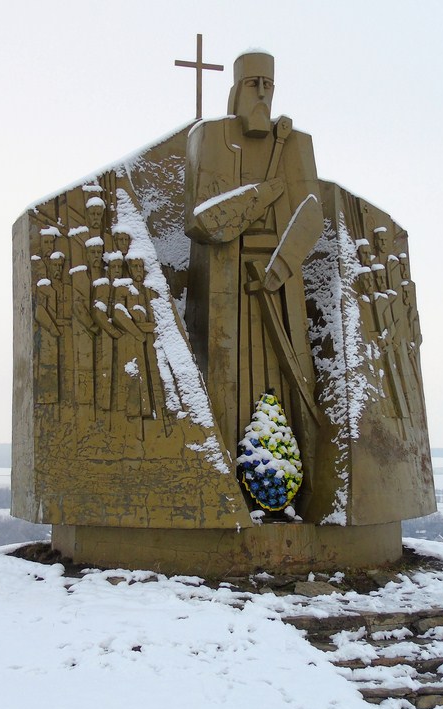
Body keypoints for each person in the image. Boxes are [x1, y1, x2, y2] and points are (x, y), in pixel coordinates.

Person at [184, 51, 323, 465]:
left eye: (269, 84)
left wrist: (279, 269)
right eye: (252, 83)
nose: (262, 92)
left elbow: (311, 211)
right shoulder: (209, 138)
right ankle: (226, 467)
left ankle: (293, 472)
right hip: (227, 284)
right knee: (227, 381)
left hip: (279, 285)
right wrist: (263, 194)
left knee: (288, 371)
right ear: (236, 89)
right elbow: (205, 220)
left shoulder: (295, 143)